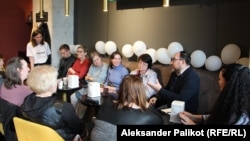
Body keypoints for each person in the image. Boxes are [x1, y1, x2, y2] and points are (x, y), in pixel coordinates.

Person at [20, 65, 88, 141]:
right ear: (50, 85)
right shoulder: (63, 107)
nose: (57, 82)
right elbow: (79, 129)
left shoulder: (27, 100)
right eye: (55, 80)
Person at [91, 75, 164, 141]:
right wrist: (147, 104)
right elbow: (160, 121)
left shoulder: (106, 104)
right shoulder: (149, 116)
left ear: (121, 90)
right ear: (141, 92)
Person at [179, 63, 250, 125]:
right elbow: (219, 118)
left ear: (229, 83)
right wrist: (193, 117)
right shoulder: (232, 103)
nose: (218, 82)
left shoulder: (241, 117)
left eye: (220, 79)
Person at [0, 57, 32, 141]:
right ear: (19, 70)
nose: (29, 69)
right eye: (26, 66)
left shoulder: (4, 85)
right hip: (19, 132)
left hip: (6, 128)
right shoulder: (26, 90)